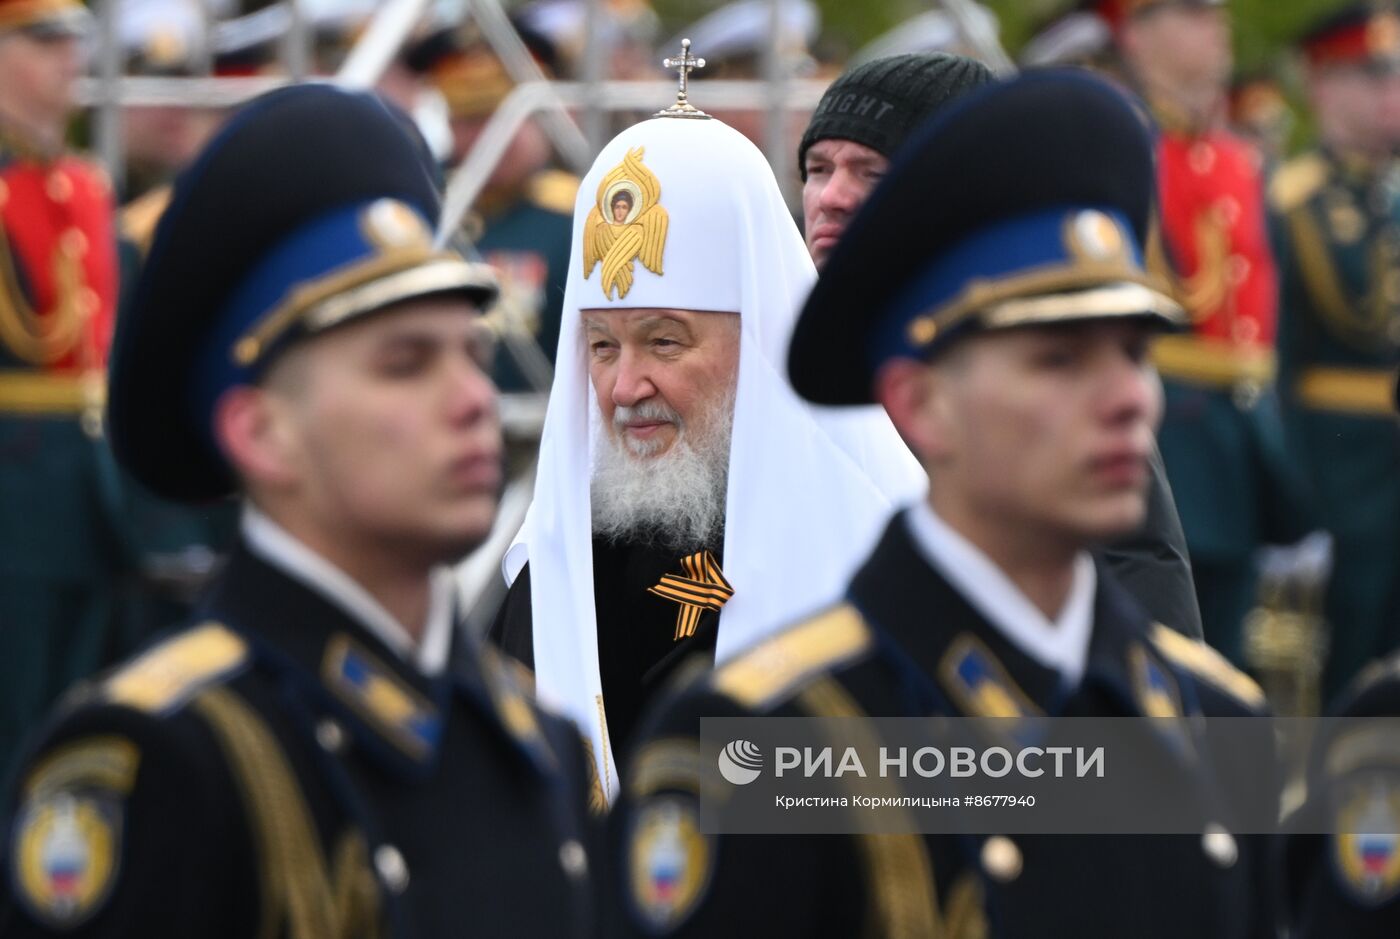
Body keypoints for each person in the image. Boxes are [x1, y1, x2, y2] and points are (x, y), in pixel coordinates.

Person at [611, 70, 1275, 938]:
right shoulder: (772, 736)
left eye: (1133, 352)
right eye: (1057, 360)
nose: (1127, 400)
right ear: (920, 402)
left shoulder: (1217, 723)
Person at [0, 85, 597, 937]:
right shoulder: (163, 762)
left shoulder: (537, 742)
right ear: (262, 434)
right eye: (403, 363)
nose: (470, 399)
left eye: (471, 352)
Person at [489, 71, 925, 799]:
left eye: (664, 342)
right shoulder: (554, 571)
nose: (626, 388)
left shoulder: (885, 544)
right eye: (602, 347)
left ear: (759, 339)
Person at [801, 50, 1205, 639]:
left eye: (872, 173)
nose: (832, 197)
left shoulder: (1036, 363)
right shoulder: (759, 344)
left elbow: (1142, 576)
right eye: (816, 168)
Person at [1116, 0, 1305, 664]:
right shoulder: (1124, 142)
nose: (1216, 23)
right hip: (1169, 424)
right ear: (1137, 34)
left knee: (1232, 652)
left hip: (1244, 434)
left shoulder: (1236, 159)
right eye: (1192, 10)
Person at [0, 0, 125, 777]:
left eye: (73, 42)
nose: (68, 59)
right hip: (15, 486)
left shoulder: (82, 186)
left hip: (90, 485)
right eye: (44, 42)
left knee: (81, 715)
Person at [1272, 3, 1400, 698]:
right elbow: (1276, 365)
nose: (1394, 94)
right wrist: (1292, 510)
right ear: (1322, 86)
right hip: (1336, 473)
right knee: (1340, 669)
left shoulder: (1394, 199)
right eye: (1373, 77)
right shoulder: (1291, 202)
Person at [409, 24, 579, 393]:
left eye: (505, 117)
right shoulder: (422, 208)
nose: (491, 137)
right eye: (471, 120)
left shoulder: (578, 214)